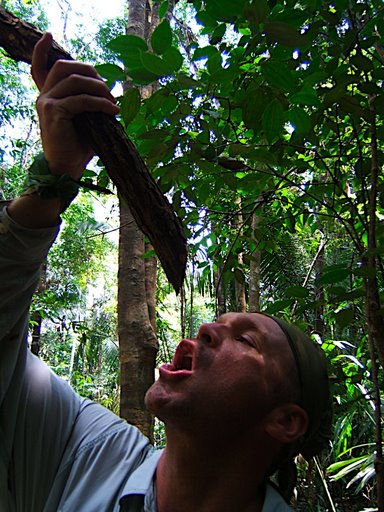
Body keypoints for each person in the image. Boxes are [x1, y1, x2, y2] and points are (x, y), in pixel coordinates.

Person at [0, 33, 332, 512]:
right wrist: (55, 173)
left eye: (247, 340)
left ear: (285, 421)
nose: (206, 329)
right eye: (218, 325)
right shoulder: (84, 451)